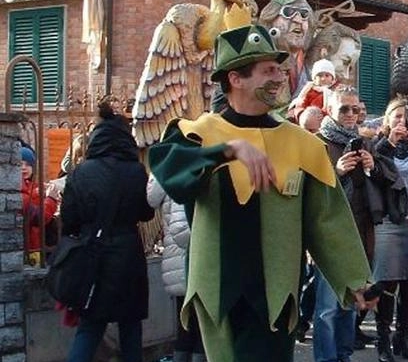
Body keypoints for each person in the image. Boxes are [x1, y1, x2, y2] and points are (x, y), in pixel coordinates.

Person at [148, 23, 374, 362]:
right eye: (268, 70)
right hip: (216, 294)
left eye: (280, 69)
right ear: (235, 78)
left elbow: (326, 219)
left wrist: (355, 279)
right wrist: (226, 151)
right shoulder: (198, 132)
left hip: (276, 297)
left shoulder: (303, 144)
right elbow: (169, 172)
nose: (280, 76)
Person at [61, 101, 156, 362]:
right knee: (131, 328)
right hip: (129, 256)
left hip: (94, 255)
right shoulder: (136, 171)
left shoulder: (81, 172)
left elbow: (69, 219)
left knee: (90, 327)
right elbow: (146, 213)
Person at [316, 86, 403, 360]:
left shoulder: (364, 142)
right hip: (328, 237)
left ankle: (343, 356)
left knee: (349, 305)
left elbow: (385, 183)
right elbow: (310, 192)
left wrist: (372, 167)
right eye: (344, 109)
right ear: (329, 110)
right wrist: (337, 172)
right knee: (328, 308)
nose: (351, 114)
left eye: (355, 109)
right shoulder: (317, 143)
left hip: (361, 234)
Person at [372, 98, 408, 362]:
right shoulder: (377, 146)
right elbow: (373, 170)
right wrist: (391, 142)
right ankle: (382, 338)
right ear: (386, 120)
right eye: (396, 117)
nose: (402, 122)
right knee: (386, 280)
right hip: (389, 222)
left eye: (407, 118)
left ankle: (402, 336)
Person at [147, 176, 205, 362]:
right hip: (194, 252)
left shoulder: (165, 168)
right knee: (201, 323)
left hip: (175, 257)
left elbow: (151, 198)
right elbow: (182, 229)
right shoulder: (187, 165)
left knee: (186, 323)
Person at [20, 145, 59, 266]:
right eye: (20, 164)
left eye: (28, 164)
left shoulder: (34, 187)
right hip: (27, 248)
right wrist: (51, 198)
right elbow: (41, 216)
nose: (24, 168)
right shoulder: (18, 191)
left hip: (36, 246)